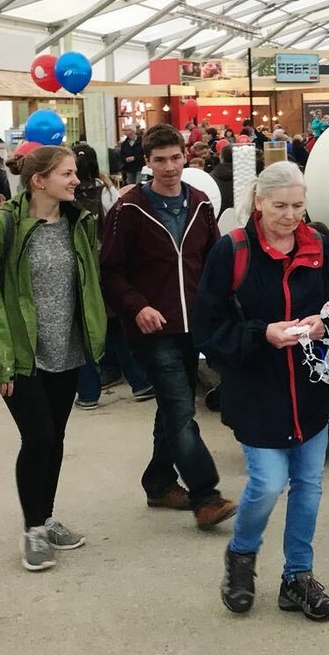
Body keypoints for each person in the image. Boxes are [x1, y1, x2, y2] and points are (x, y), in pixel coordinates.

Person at [194, 161, 329, 620]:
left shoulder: (320, 246)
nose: (289, 216)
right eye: (280, 206)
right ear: (258, 202)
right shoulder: (232, 250)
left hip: (311, 386)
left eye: (298, 206)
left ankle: (297, 578)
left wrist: (325, 322)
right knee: (266, 483)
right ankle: (241, 557)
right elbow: (207, 327)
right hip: (256, 388)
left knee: (308, 485)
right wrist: (263, 334)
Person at [99, 125, 236, 529]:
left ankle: (158, 482)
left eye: (175, 158)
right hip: (151, 328)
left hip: (193, 325)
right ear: (147, 162)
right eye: (160, 160)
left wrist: (222, 309)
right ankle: (205, 496)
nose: (169, 167)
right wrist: (137, 306)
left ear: (185, 157)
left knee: (171, 409)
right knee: (179, 406)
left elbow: (214, 265)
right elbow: (110, 272)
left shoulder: (199, 205)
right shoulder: (128, 210)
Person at [0, 146, 107, 571]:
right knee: (38, 438)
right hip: (22, 355)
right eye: (67, 173)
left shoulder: (78, 223)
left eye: (75, 173)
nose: (76, 180)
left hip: (67, 351)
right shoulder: (5, 225)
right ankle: (34, 530)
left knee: (55, 439)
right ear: (40, 180)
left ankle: (45, 516)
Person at [71, 144, 153, 410]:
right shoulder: (106, 190)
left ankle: (88, 393)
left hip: (79, 267)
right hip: (105, 264)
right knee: (117, 326)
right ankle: (140, 382)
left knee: (83, 330)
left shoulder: (67, 194)